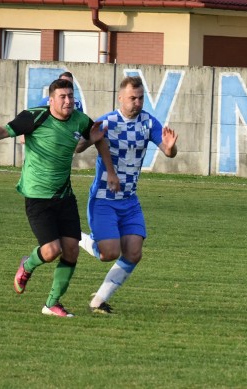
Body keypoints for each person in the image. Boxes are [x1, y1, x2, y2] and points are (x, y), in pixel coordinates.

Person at [0, 78, 117, 318]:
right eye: (62, 97)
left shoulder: (80, 120)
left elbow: (97, 140)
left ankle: (52, 303)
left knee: (72, 250)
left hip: (64, 195)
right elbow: (4, 130)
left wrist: (109, 168)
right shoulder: (35, 116)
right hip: (37, 196)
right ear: (51, 100)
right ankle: (27, 264)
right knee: (52, 250)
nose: (68, 101)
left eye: (71, 96)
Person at [76, 76, 178, 314]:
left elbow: (167, 151)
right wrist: (90, 138)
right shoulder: (107, 121)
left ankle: (98, 301)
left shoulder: (147, 122)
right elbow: (78, 147)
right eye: (133, 98)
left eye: (141, 98)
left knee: (133, 251)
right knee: (107, 254)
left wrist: (171, 148)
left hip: (130, 200)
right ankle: (77, 237)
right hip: (104, 199)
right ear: (121, 98)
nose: (137, 102)